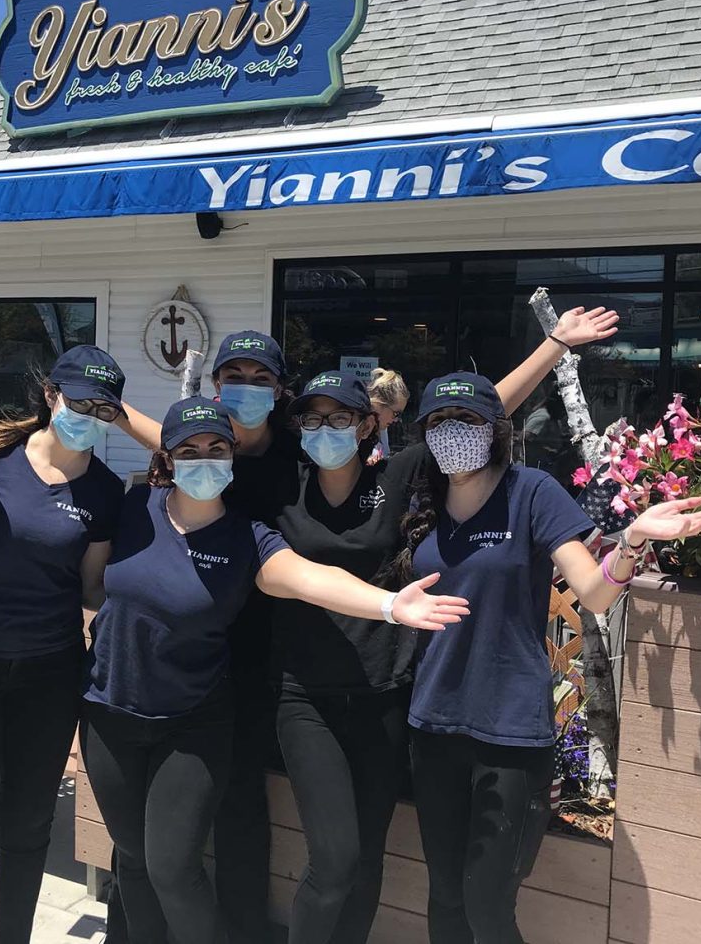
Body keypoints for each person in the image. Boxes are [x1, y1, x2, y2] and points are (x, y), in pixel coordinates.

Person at [265, 304, 620, 944]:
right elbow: (202, 466)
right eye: (312, 420)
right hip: (313, 694)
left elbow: (473, 412)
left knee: (377, 865)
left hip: (386, 693)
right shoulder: (281, 490)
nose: (325, 430)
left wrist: (553, 345)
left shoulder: (403, 477)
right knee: (338, 861)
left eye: (340, 418)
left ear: (370, 425)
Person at [82, 397, 468, 944]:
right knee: (132, 858)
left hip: (191, 721)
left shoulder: (248, 537)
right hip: (109, 712)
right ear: (166, 460)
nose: (204, 459)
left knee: (171, 868)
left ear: (233, 457)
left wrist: (388, 604)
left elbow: (310, 577)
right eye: (188, 451)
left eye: (216, 448)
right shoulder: (135, 506)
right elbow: (89, 582)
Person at [387, 372, 701, 944]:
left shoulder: (531, 492)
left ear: (495, 429)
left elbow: (593, 591)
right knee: (445, 897)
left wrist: (633, 540)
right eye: (438, 422)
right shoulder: (422, 502)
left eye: (466, 420)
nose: (451, 433)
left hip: (511, 729)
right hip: (434, 724)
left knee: (487, 906)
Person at [0, 345, 127, 942]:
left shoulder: (105, 491)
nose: (89, 417)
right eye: (79, 403)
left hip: (48, 675)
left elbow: (91, 587)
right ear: (51, 396)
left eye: (103, 409)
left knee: (29, 826)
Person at [116, 329, 300, 944]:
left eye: (261, 378)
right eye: (234, 377)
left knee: (240, 800)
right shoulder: (200, 447)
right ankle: (131, 930)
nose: (247, 388)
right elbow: (166, 439)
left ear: (280, 389)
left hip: (258, 649)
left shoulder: (298, 454)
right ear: (216, 385)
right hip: (181, 644)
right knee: (139, 818)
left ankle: (241, 929)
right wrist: (104, 407)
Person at [365, 368, 409, 464]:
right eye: (396, 413)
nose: (396, 420)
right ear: (379, 403)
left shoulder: (381, 429)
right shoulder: (355, 428)